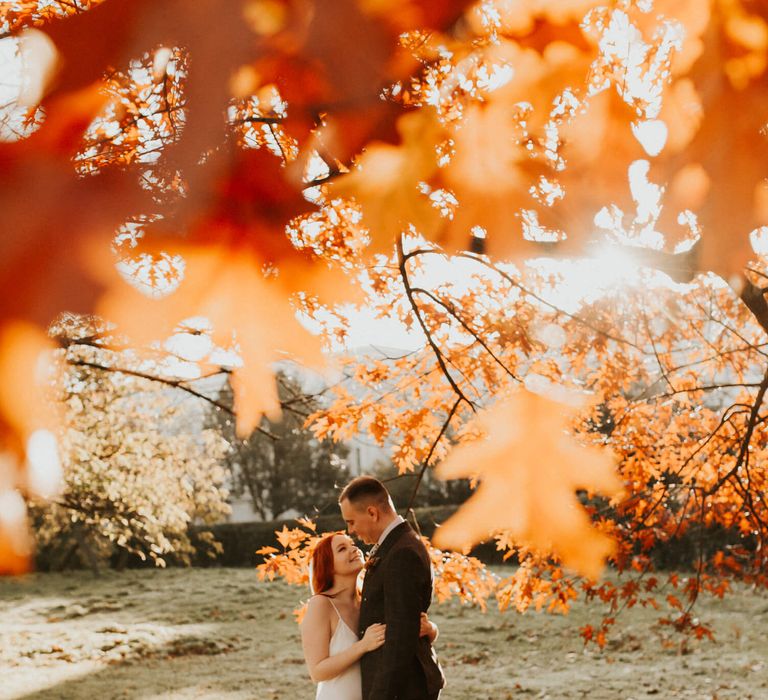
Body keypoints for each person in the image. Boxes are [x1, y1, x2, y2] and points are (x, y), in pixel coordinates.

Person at [339, 476, 445, 700]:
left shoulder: (402, 553)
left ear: (372, 513)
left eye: (351, 522)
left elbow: (400, 638)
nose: (350, 531)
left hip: (404, 689)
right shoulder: (395, 546)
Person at [300, 531, 438, 700]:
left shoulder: (369, 600)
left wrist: (431, 630)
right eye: (342, 549)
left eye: (352, 544)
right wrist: (363, 646)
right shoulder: (321, 604)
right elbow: (317, 672)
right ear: (327, 564)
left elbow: (399, 640)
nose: (353, 549)